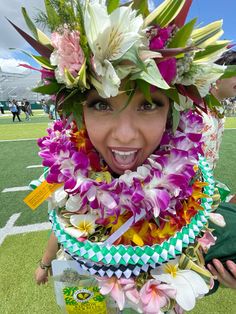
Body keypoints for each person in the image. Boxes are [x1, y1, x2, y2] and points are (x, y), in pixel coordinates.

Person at [15, 0, 236, 312]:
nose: (125, 135)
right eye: (101, 104)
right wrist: (45, 263)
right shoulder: (63, 172)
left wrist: (218, 267)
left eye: (148, 105)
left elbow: (208, 243)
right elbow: (59, 220)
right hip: (86, 291)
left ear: (171, 111)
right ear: (78, 112)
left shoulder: (192, 179)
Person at [201, 50, 236, 289]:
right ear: (218, 75)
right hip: (191, 196)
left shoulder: (218, 111)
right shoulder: (193, 108)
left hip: (210, 186)